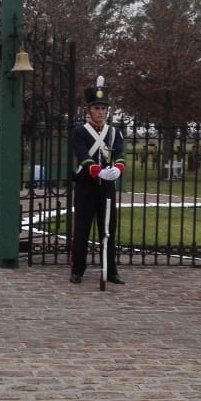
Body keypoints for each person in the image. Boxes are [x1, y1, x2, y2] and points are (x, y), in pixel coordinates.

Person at [70, 76, 125, 285]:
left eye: (103, 108)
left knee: (108, 230)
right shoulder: (79, 132)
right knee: (81, 230)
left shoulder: (114, 132)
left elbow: (119, 154)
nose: (100, 112)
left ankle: (110, 271)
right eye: (96, 108)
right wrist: (97, 171)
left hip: (107, 188)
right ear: (89, 110)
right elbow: (82, 155)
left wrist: (117, 169)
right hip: (86, 186)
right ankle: (78, 270)